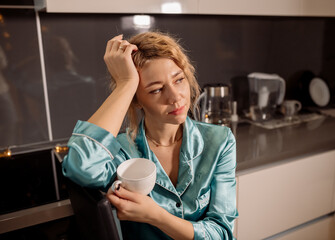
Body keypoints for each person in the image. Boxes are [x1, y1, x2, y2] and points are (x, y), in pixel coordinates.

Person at [62, 31, 238, 240]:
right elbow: (80, 165)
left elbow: (223, 234)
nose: (175, 97)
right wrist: (126, 84)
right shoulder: (121, 152)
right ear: (136, 100)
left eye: (179, 80)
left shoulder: (220, 141)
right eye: (156, 90)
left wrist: (155, 216)